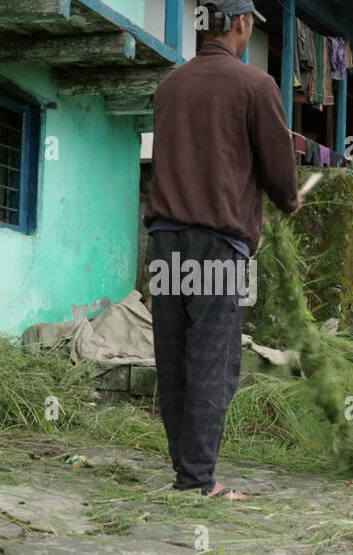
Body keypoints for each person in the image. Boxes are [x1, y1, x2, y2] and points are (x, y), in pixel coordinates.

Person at [146, 0, 305, 501]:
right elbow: (278, 164)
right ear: (240, 23)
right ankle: (199, 481)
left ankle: (186, 474)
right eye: (252, 22)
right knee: (212, 359)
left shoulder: (170, 84)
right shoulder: (255, 85)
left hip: (165, 242)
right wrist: (289, 198)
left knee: (174, 359)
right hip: (217, 246)